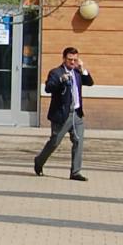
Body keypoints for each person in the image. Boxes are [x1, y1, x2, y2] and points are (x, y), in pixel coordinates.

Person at [34, 46, 92, 181]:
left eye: (75, 60)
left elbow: (90, 82)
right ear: (64, 59)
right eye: (70, 59)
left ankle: (75, 172)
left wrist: (83, 69)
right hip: (62, 115)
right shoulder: (56, 72)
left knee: (78, 141)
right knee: (54, 142)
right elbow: (48, 88)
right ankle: (39, 161)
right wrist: (61, 80)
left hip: (76, 114)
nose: (72, 62)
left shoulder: (77, 72)